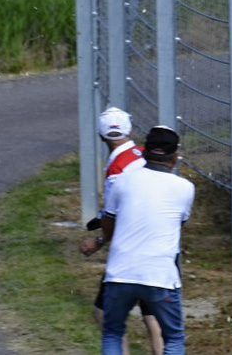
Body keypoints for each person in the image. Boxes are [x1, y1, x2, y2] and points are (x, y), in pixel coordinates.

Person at [82, 125, 195, 355]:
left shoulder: (121, 182)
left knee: (113, 332)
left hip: (120, 273)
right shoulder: (185, 188)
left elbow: (109, 223)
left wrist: (102, 241)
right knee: (173, 337)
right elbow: (177, 225)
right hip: (160, 276)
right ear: (176, 157)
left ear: (143, 152)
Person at [79, 107, 163, 355]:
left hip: (130, 251)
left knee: (105, 315)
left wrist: (99, 240)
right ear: (130, 130)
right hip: (160, 246)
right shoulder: (142, 155)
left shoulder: (117, 168)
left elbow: (119, 215)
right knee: (153, 316)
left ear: (100, 135)